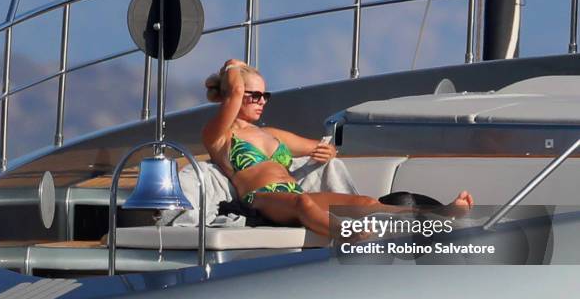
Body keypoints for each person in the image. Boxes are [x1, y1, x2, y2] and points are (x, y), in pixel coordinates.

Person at [202, 59, 473, 238]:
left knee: (365, 203)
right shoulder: (219, 136)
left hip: (292, 193)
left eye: (266, 95)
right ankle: (349, 235)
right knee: (303, 202)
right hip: (260, 199)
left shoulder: (271, 134)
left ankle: (439, 214)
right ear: (230, 96)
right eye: (255, 95)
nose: (262, 101)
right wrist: (232, 67)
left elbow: (320, 146)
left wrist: (326, 152)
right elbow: (236, 90)